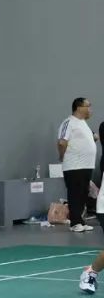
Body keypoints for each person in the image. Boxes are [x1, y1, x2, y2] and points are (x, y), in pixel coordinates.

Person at [58, 97, 97, 232]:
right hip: (74, 166)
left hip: (86, 165)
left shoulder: (83, 123)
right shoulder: (69, 122)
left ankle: (80, 221)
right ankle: (74, 223)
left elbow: (91, 137)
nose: (90, 109)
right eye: (88, 106)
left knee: (83, 194)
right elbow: (62, 142)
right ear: (79, 107)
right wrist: (62, 156)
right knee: (75, 194)